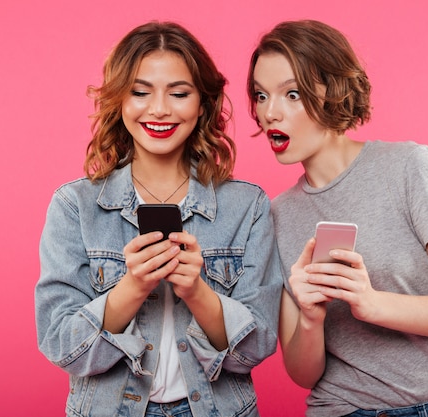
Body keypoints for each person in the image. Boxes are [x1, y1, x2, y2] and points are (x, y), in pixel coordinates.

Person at [246, 20, 428, 417]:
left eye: (291, 94)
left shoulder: (410, 169)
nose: (270, 113)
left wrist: (371, 304)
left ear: (333, 93)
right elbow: (303, 374)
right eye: (261, 95)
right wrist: (311, 320)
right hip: (341, 409)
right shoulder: (276, 215)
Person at [35, 21, 282, 417]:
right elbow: (62, 346)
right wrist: (132, 288)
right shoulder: (75, 205)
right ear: (119, 101)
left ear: (202, 102)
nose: (160, 109)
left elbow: (255, 348)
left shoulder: (247, 207)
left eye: (179, 93)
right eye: (140, 92)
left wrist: (197, 292)